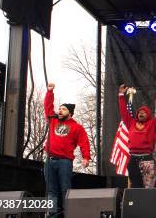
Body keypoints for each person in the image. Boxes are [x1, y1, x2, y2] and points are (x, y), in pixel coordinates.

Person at [44, 82, 90, 218]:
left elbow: (84, 143)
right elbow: (48, 107)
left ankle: (67, 215)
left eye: (63, 109)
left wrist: (86, 157)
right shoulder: (53, 121)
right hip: (50, 160)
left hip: (65, 162)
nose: (59, 111)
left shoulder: (77, 127)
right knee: (51, 191)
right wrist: (50, 92)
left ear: (70, 112)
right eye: (59, 108)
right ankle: (52, 215)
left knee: (65, 190)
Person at [117, 84, 156, 188]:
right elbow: (123, 111)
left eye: (144, 112)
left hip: (147, 159)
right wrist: (121, 95)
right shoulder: (131, 123)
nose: (141, 113)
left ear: (148, 115)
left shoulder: (152, 124)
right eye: (140, 112)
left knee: (148, 187)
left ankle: (148, 204)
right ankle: (137, 204)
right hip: (133, 159)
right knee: (136, 187)